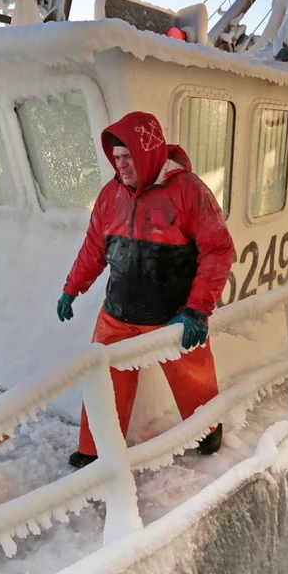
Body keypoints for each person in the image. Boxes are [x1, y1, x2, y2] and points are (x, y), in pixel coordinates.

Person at [56, 111, 236, 469]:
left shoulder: (189, 191)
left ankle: (207, 429)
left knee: (193, 379)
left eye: (128, 156)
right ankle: (96, 447)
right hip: (117, 315)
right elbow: (94, 248)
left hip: (175, 315)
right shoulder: (110, 195)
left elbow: (218, 250)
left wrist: (197, 310)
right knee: (104, 381)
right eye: (116, 157)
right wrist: (72, 288)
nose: (121, 165)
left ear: (147, 153)